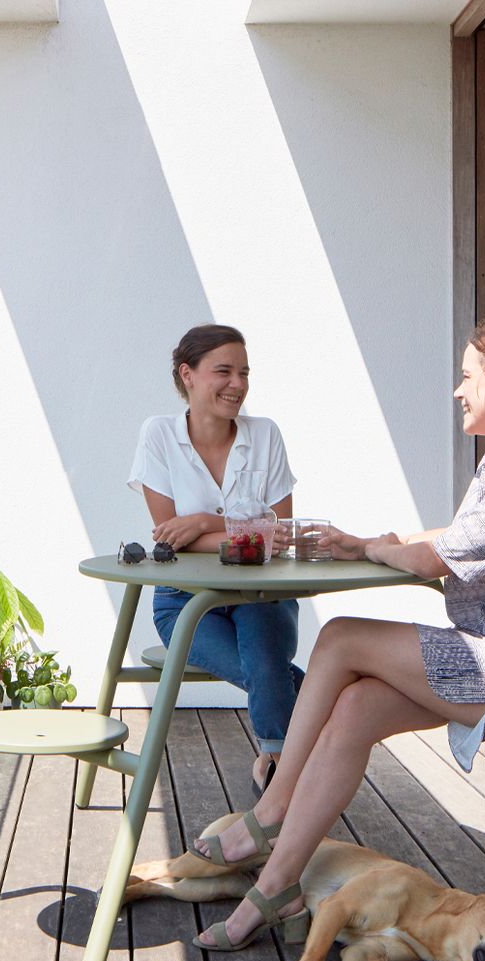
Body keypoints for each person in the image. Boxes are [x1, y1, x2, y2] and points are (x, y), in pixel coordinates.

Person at [191, 313, 485, 951]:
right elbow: (452, 537)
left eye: (468, 378)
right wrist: (370, 542)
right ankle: (276, 886)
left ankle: (270, 814)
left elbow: (435, 561)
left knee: (341, 639)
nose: (459, 391)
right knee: (353, 706)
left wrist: (383, 550)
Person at [128, 324, 304, 795]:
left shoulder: (265, 435)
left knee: (265, 659)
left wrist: (205, 522)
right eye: (223, 371)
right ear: (187, 375)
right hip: (185, 603)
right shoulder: (159, 435)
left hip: (264, 596)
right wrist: (243, 531)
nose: (238, 384)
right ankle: (331, 715)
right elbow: (169, 540)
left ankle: (276, 767)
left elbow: (281, 537)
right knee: (273, 675)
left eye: (244, 372)